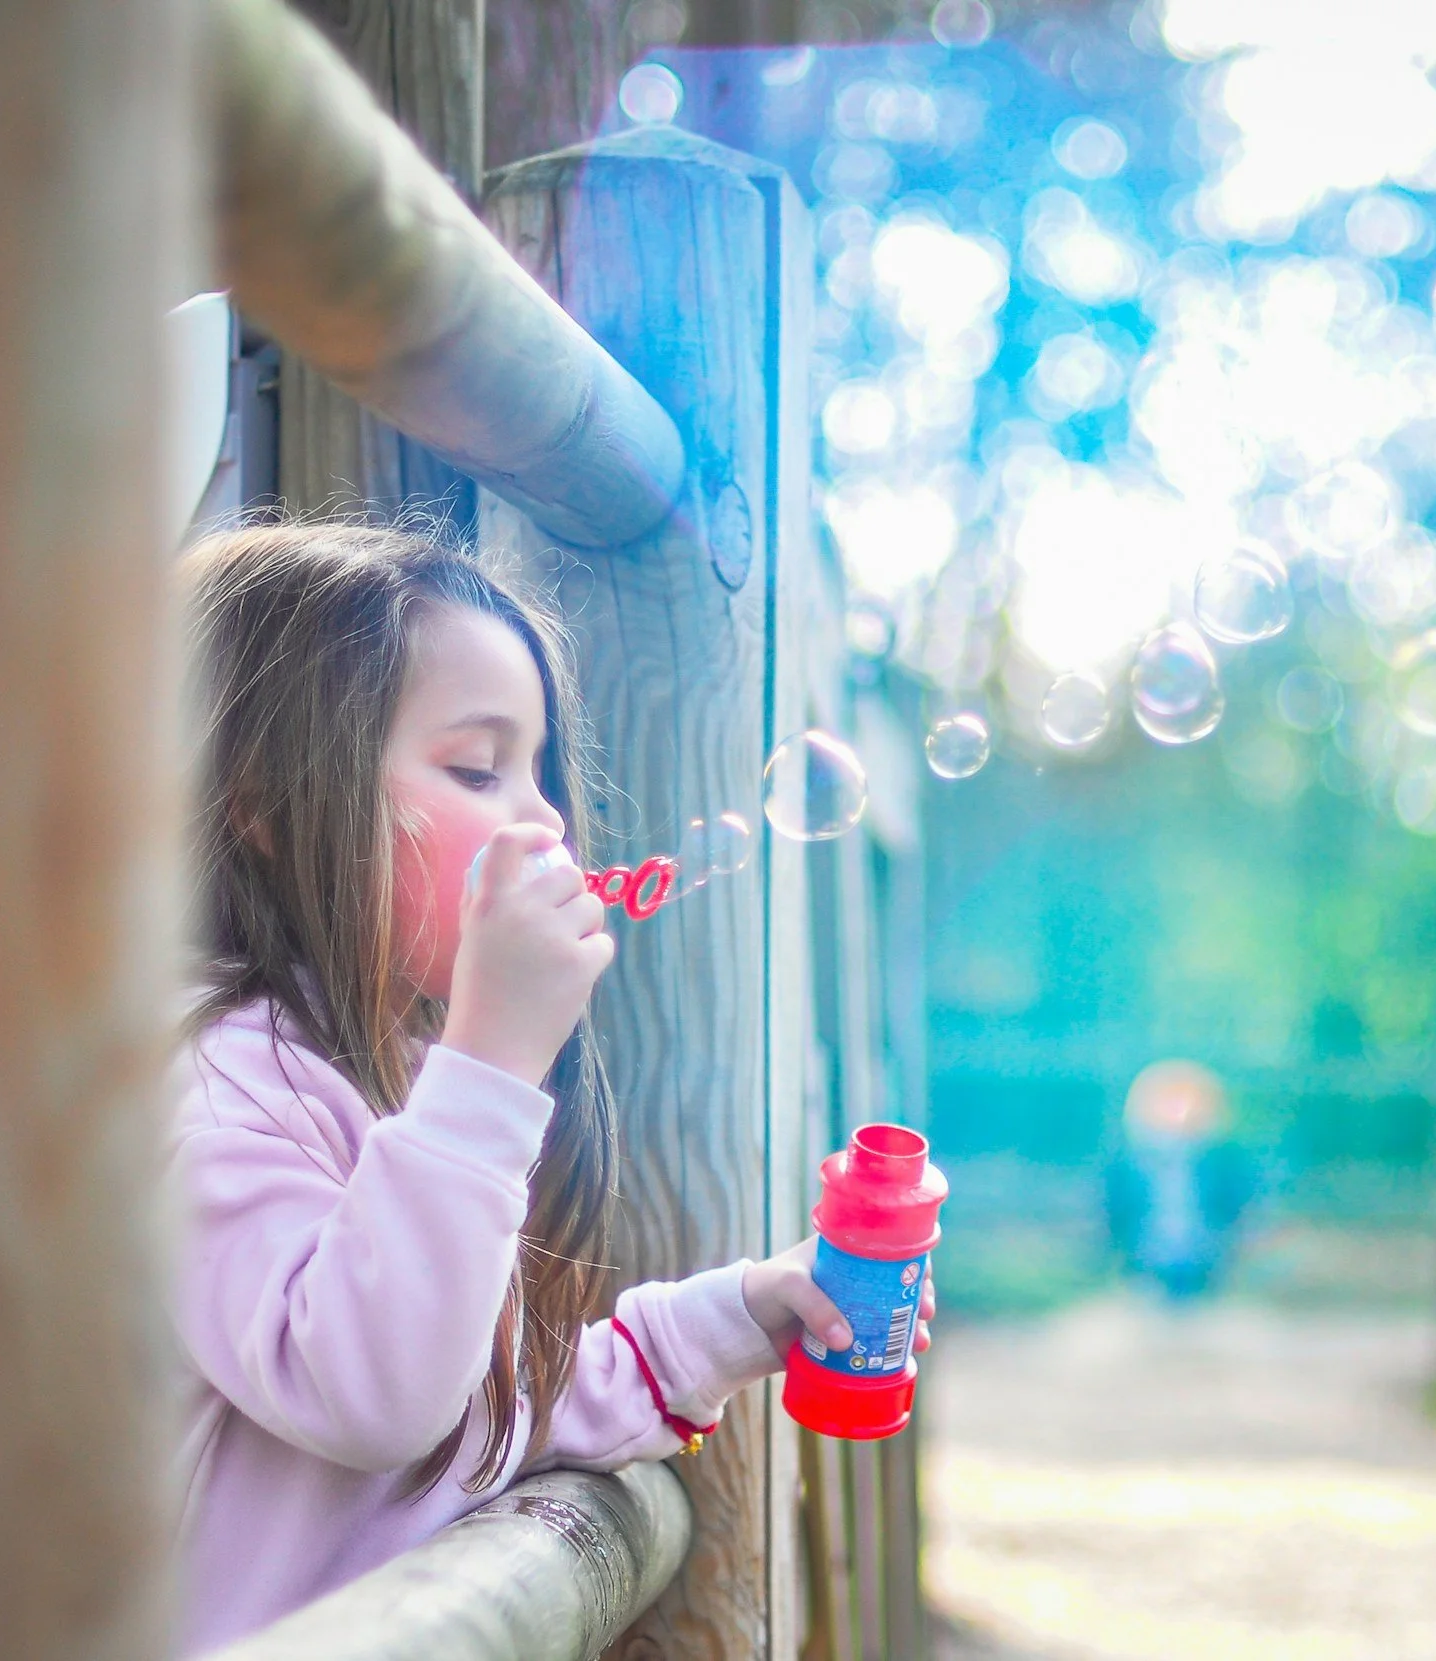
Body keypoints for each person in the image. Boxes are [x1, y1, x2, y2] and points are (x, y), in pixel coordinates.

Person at [166, 523, 929, 1652]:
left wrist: (738, 1315)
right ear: (267, 808)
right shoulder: (212, 1088)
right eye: (479, 767)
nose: (547, 819)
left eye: (539, 768)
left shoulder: (393, 1079)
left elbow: (487, 1397)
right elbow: (378, 1392)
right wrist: (488, 1060)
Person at [1103, 1060, 1254, 1299]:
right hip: (1146, 1261)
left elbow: (1234, 1204)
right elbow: (1115, 1208)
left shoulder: (1222, 1158)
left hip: (1205, 1261)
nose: (1181, 1110)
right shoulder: (1129, 1160)